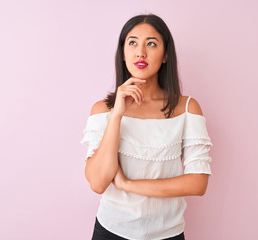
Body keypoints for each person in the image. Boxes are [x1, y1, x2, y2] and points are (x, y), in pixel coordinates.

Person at [80, 13, 213, 240]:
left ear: (165, 55)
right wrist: (117, 115)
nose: (140, 52)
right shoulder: (103, 110)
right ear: (123, 53)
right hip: (111, 231)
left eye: (151, 43)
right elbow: (98, 182)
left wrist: (128, 184)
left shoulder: (187, 109)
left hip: (168, 233)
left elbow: (198, 183)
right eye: (132, 43)